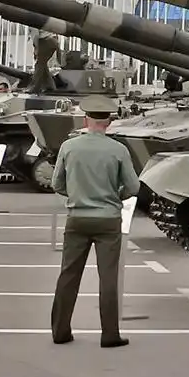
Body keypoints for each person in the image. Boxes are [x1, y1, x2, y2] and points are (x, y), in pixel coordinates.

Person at [50, 96, 139, 347]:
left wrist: (77, 194)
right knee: (108, 277)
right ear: (109, 122)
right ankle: (110, 334)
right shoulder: (118, 150)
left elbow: (57, 183)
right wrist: (115, 196)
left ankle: (60, 331)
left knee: (68, 275)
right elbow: (133, 187)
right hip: (108, 219)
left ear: (85, 119)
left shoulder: (69, 147)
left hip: (77, 218)